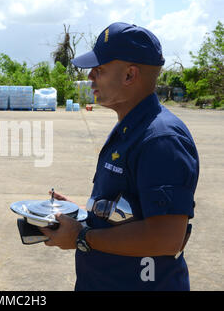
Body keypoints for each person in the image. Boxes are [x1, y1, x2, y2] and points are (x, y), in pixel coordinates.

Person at [40, 22, 199, 291]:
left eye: (99, 69)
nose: (90, 76)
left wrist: (82, 237)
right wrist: (82, 215)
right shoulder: (131, 128)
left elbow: (166, 237)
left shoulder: (160, 139)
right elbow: (132, 211)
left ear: (129, 75)